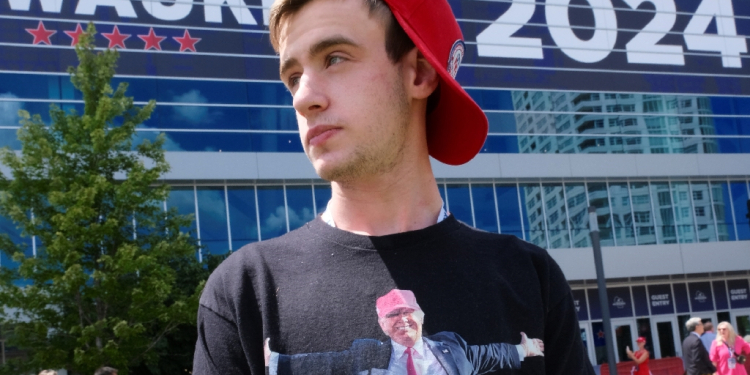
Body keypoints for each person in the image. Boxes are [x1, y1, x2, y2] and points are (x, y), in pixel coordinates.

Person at [192, 0, 595, 374]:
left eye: (334, 58)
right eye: (293, 77)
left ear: (419, 73)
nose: (302, 98)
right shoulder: (245, 292)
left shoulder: (529, 277)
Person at [263, 289, 545, 374]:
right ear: (382, 325)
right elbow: (325, 364)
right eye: (393, 314)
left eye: (408, 311)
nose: (403, 319)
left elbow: (487, 355)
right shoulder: (367, 354)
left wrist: (523, 349)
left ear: (421, 315)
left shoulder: (452, 346)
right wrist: (275, 362)